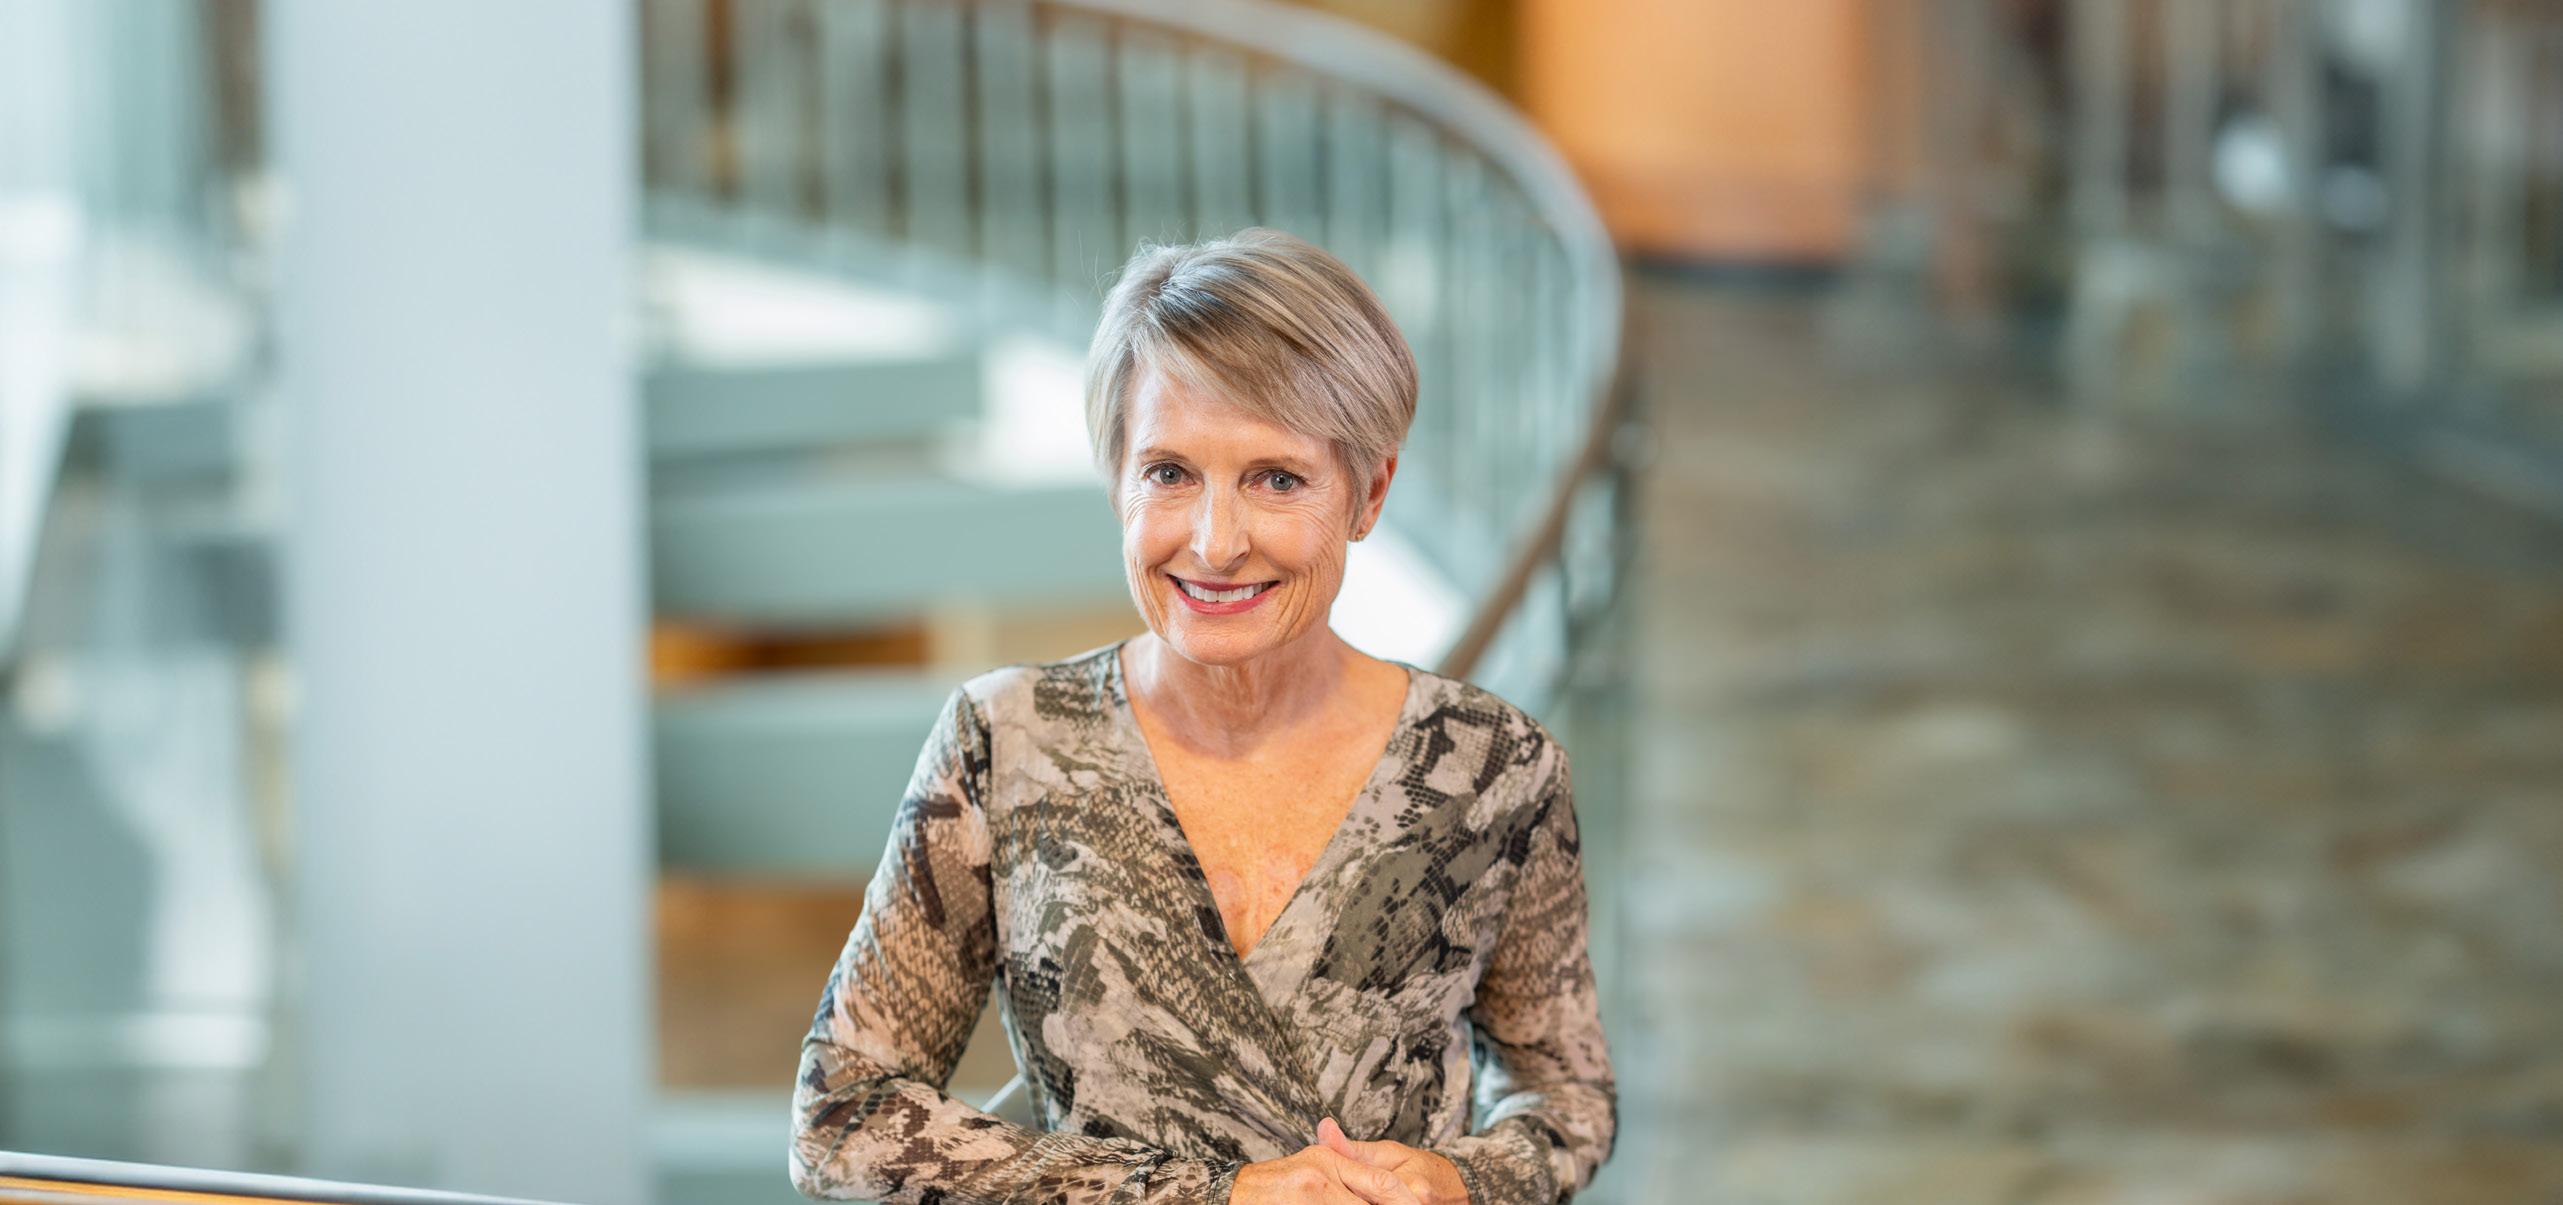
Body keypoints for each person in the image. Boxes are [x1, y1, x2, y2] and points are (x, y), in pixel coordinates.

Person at [789, 228, 1615, 1204]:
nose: (1216, 543)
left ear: (1370, 492)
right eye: (1169, 472)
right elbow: (841, 1115)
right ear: (1116, 480)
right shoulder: (1004, 740)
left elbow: (1565, 1099)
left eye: (1277, 478)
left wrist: (1462, 1180)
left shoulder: (1494, 766)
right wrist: (1210, 1196)